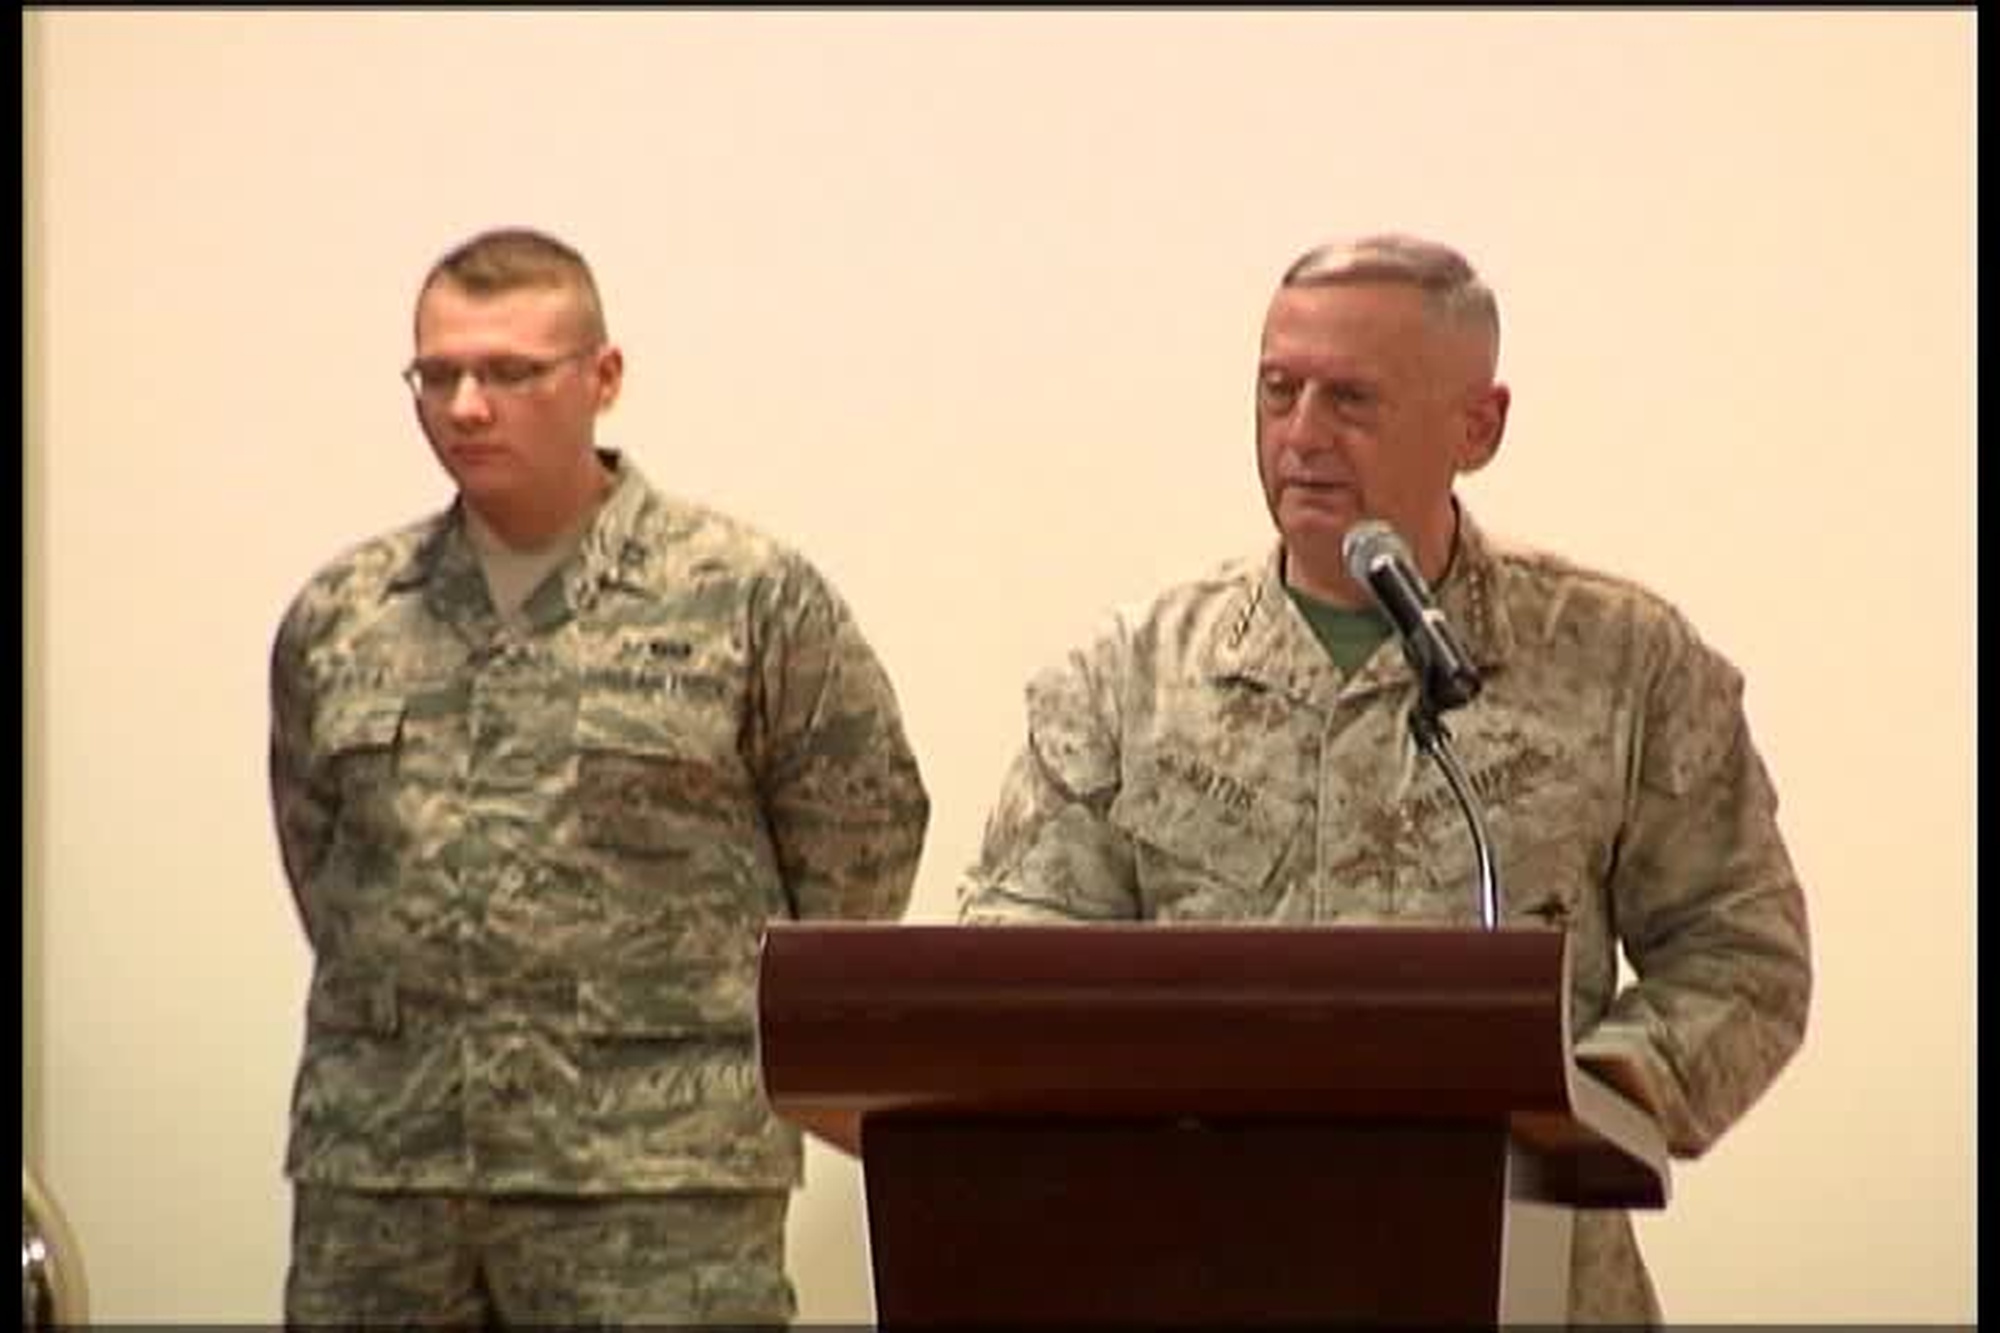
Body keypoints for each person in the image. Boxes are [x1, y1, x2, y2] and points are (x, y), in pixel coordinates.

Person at [957, 233, 1811, 1325]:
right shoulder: (1129, 678)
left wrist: (1589, 1098)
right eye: (1278, 391)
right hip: (1204, 1272)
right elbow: (1014, 966)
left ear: (1477, 427)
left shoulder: (1620, 662)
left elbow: (1743, 952)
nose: (1302, 435)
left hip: (1521, 1279)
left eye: (1351, 400)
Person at [268, 226, 930, 1326]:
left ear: (603, 377)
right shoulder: (344, 614)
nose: (467, 406)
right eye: (438, 374)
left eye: (510, 372)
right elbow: (326, 863)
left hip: (655, 1187)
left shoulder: (743, 596)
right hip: (387, 1179)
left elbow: (859, 840)